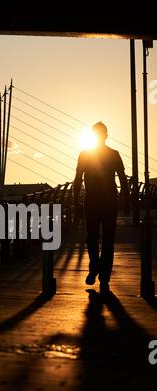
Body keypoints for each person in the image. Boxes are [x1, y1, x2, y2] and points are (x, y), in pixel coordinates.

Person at [73, 121, 130, 294]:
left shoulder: (85, 154)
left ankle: (97, 270)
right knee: (106, 240)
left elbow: (77, 179)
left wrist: (75, 200)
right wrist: (126, 200)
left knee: (93, 237)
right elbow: (123, 179)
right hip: (107, 201)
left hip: (93, 201)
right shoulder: (113, 154)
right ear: (105, 136)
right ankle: (102, 275)